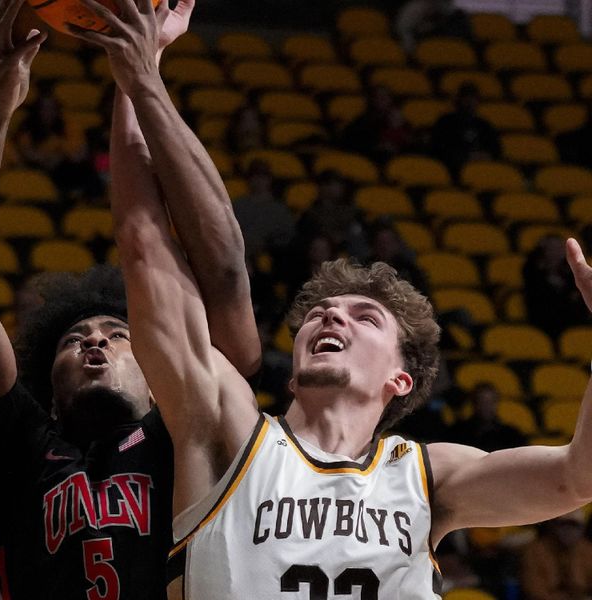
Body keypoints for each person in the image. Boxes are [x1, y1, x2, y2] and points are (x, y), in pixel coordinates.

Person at [76, 6, 592, 596]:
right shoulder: (226, 431)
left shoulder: (428, 477)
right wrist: (138, 75)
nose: (329, 315)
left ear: (401, 379)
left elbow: (577, 477)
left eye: (364, 316)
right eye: (321, 311)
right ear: (293, 371)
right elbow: (145, 246)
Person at [0, 0, 257, 598]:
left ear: (160, 375)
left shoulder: (188, 432)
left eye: (116, 334)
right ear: (48, 390)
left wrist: (142, 72)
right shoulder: (19, 452)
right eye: (74, 340)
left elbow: (214, 266)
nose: (96, 342)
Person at [520, 509, 592, 600]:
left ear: (582, 528)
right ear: (553, 526)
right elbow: (534, 588)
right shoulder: (536, 550)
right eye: (563, 525)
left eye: (574, 525)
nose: (569, 530)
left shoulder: (587, 549)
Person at [447, 383, 527, 452]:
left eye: (490, 402)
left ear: (496, 403)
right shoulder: (458, 432)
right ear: (474, 403)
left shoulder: (512, 435)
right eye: (482, 401)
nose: (486, 406)